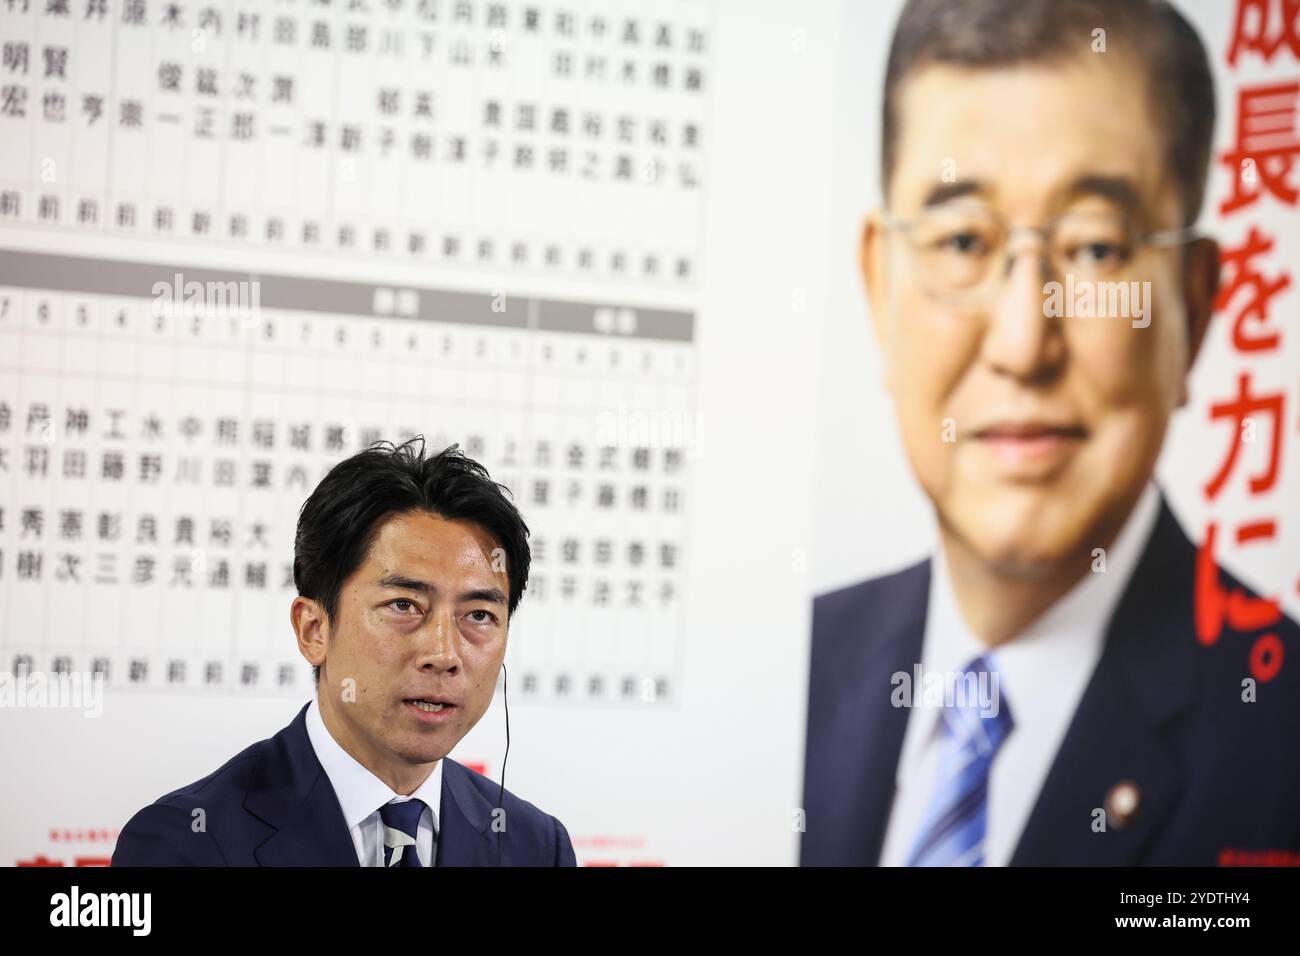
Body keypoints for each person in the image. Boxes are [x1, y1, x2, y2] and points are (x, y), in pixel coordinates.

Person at [802, 0, 1300, 866]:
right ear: (880, 286)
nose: (1025, 341)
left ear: (1193, 303)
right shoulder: (786, 674)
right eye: (962, 239)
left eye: (1096, 250)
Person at [113, 438, 575, 866]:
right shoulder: (184, 843)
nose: (443, 653)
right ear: (313, 629)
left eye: (478, 615)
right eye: (404, 605)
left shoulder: (535, 846)